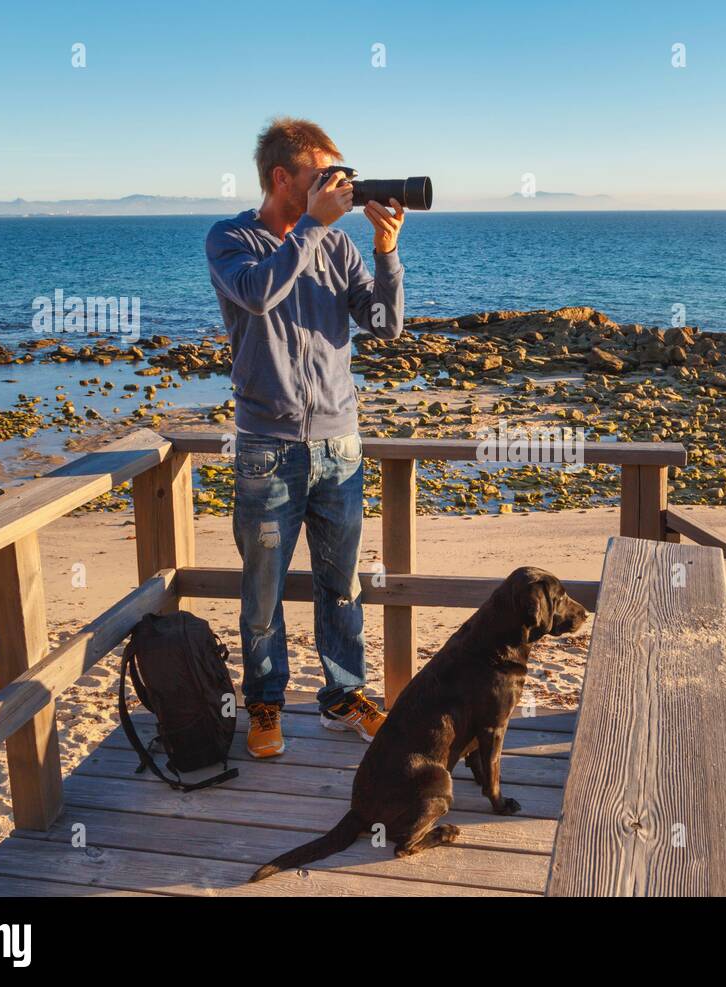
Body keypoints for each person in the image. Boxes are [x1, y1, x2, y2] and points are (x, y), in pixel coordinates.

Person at [205, 117, 406, 757]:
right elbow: (259, 296)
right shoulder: (231, 239)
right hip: (266, 446)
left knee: (341, 584)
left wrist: (384, 251)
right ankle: (264, 703)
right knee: (262, 587)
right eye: (323, 176)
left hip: (339, 443)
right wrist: (316, 227)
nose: (336, 187)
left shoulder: (341, 249)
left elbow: (384, 326)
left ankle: (342, 695)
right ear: (282, 177)